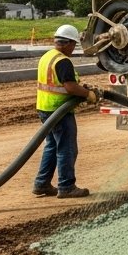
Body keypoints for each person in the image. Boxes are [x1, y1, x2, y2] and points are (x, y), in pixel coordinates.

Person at [34, 24, 99, 198]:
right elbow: (70, 87)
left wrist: (81, 88)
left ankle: (42, 183)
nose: (73, 49)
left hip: (45, 108)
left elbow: (59, 83)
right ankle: (66, 187)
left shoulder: (48, 56)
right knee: (67, 148)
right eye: (74, 45)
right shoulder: (63, 61)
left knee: (52, 146)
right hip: (59, 111)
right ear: (68, 43)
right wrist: (87, 94)